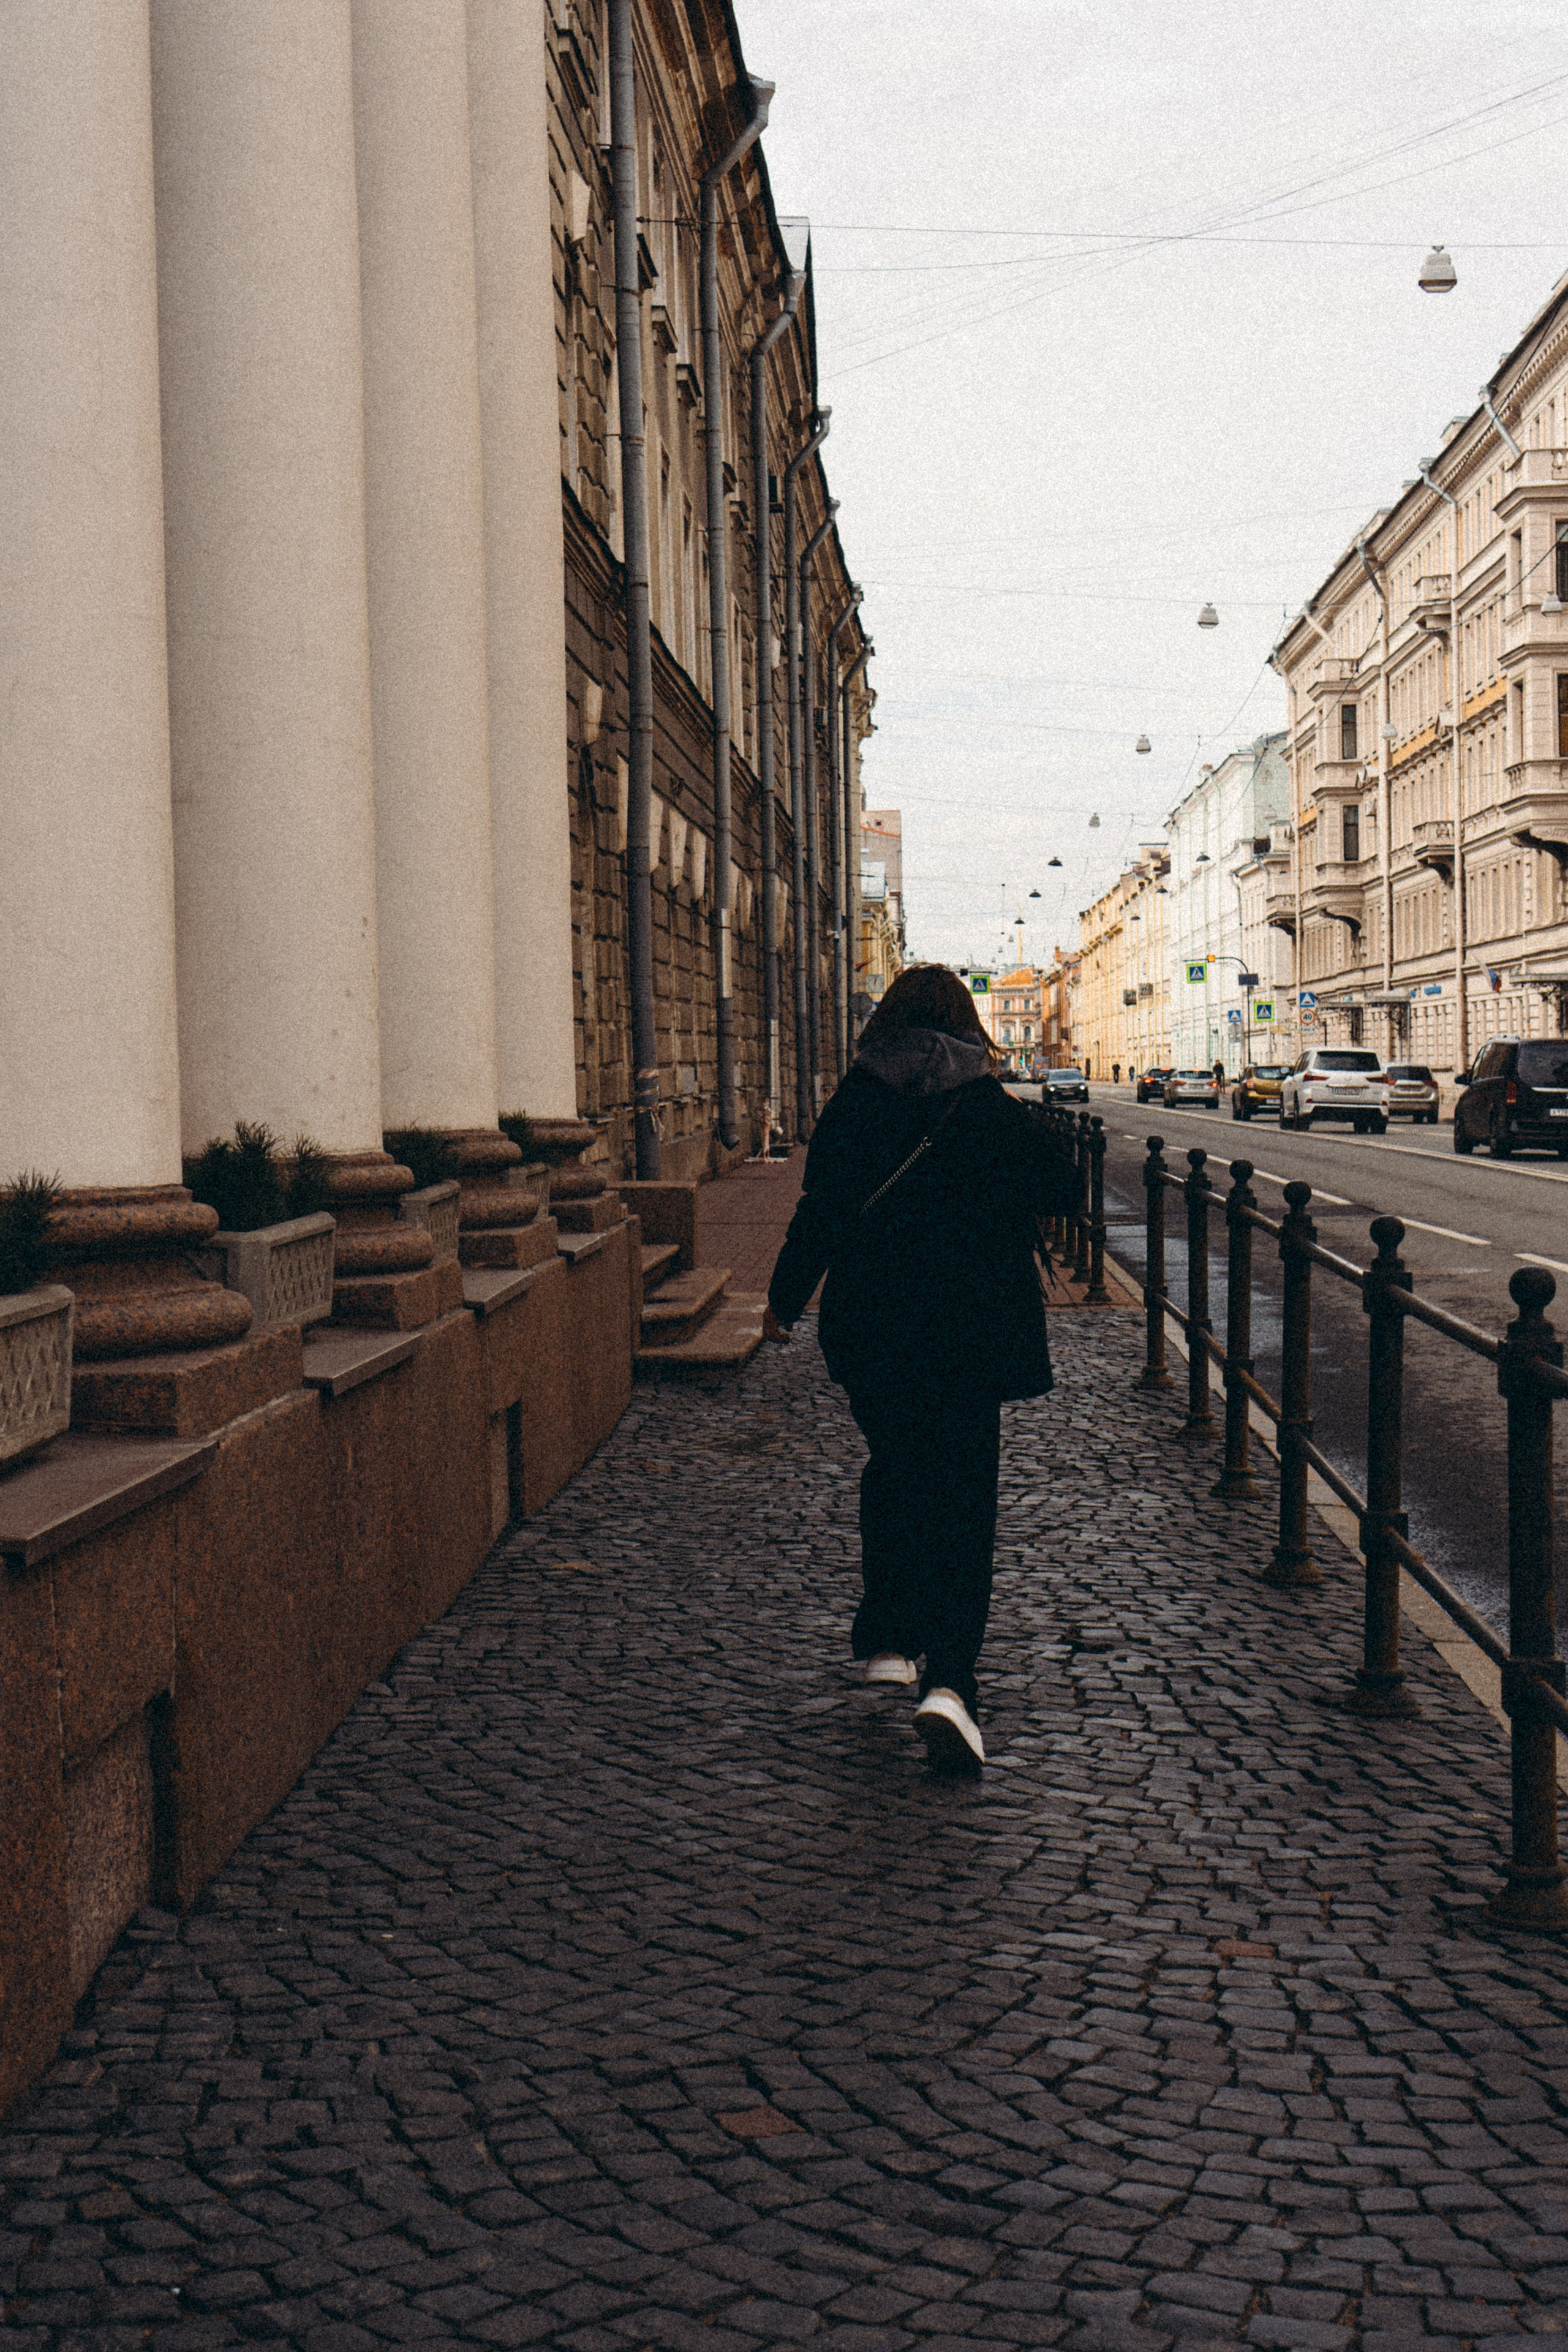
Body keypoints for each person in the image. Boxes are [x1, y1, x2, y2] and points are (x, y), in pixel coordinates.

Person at [764, 963, 1079, 1774]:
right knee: (962, 1499)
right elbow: (1062, 1186)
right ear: (970, 1026)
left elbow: (821, 1209)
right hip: (971, 1336)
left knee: (898, 1466)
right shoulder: (983, 1108)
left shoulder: (858, 1099)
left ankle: (887, 1634)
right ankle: (953, 1684)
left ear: (886, 1024)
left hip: (873, 1331)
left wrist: (783, 1300)